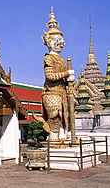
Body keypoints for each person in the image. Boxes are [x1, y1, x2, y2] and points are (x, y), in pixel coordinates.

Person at [34, 8, 74, 142]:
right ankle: (53, 143)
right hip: (52, 93)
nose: (62, 43)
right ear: (49, 41)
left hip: (62, 93)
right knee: (55, 119)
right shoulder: (49, 58)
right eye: (58, 40)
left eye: (62, 40)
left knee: (64, 120)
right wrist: (67, 73)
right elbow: (50, 76)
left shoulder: (61, 59)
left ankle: (62, 142)